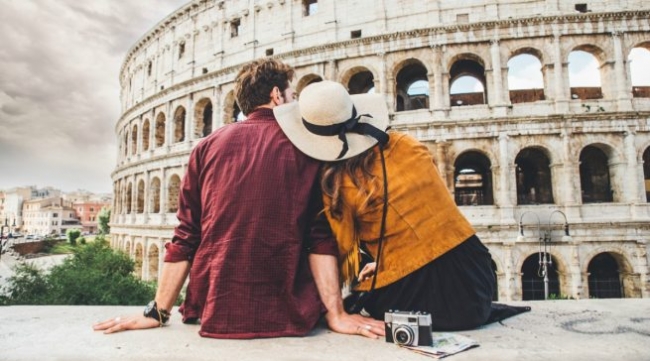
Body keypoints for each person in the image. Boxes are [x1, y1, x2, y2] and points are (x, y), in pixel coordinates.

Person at [93, 59, 384, 339]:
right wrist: (336, 313)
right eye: (292, 94)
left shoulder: (205, 147)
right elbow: (318, 237)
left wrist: (158, 311)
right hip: (289, 311)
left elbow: (186, 235)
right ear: (276, 96)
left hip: (214, 309)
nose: (294, 101)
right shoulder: (307, 147)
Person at [274, 81, 529, 331]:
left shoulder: (337, 184)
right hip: (475, 282)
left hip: (419, 299)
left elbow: (340, 251)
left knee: (360, 296)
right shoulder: (407, 144)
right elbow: (424, 212)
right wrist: (393, 258)